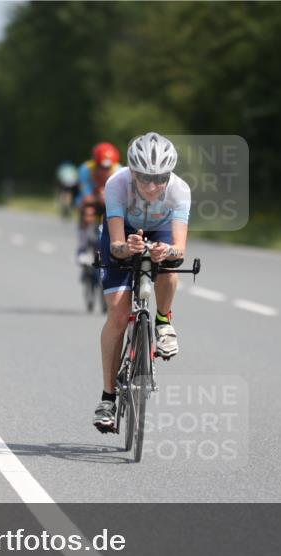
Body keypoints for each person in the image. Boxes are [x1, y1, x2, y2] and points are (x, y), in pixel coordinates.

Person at [93, 132, 189, 432]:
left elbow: (180, 250)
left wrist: (166, 251)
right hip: (124, 233)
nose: (151, 186)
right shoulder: (116, 184)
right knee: (119, 316)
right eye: (144, 177)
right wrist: (127, 248)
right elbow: (116, 246)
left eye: (160, 178)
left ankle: (162, 321)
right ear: (131, 172)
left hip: (160, 231)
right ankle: (107, 398)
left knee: (169, 265)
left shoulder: (180, 191)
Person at [75, 142, 120, 257]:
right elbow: (86, 198)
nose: (104, 171)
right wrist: (99, 197)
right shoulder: (85, 170)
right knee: (87, 213)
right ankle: (82, 247)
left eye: (107, 168)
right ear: (95, 164)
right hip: (92, 202)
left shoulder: (119, 172)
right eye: (100, 167)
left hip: (109, 204)